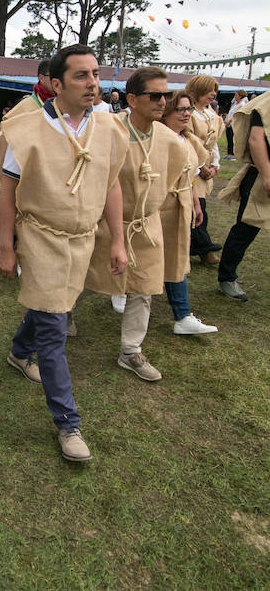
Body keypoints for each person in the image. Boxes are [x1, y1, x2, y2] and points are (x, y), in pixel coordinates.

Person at [0, 44, 129, 463]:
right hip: (40, 238)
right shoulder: (28, 128)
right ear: (55, 84)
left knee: (47, 308)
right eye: (80, 76)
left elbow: (111, 185)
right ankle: (68, 423)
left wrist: (119, 240)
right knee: (54, 328)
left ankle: (19, 353)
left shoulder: (107, 127)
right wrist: (6, 246)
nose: (92, 83)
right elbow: (8, 191)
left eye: (95, 74)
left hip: (83, 238)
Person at [86, 67, 186, 382]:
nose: (162, 101)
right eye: (154, 95)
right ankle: (63, 319)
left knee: (144, 287)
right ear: (132, 98)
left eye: (165, 95)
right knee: (83, 275)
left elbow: (169, 181)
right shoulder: (107, 131)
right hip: (103, 221)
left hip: (145, 223)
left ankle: (131, 351)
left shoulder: (171, 141)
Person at [160, 91, 217, 334]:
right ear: (167, 111)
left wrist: (195, 203)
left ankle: (183, 315)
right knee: (141, 257)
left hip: (181, 203)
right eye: (180, 109)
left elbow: (190, 176)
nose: (186, 114)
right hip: (158, 205)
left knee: (177, 256)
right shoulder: (157, 137)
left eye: (188, 109)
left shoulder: (188, 139)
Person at [216, 90, 270, 301]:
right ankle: (227, 277)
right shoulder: (265, 103)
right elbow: (256, 140)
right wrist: (266, 176)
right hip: (261, 176)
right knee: (246, 229)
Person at [185, 76, 224, 266]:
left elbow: (213, 143)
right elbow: (188, 142)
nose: (213, 94)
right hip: (193, 166)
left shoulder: (212, 116)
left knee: (199, 208)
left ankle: (196, 249)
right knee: (197, 208)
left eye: (215, 90)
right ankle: (205, 250)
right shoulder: (189, 114)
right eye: (210, 90)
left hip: (207, 166)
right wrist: (200, 168)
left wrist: (215, 165)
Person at [224, 90, 248, 160]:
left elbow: (237, 115)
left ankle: (233, 154)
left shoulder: (242, 104)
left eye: (236, 95)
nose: (235, 96)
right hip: (229, 124)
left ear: (240, 96)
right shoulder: (235, 104)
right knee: (229, 138)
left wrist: (230, 121)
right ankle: (229, 153)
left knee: (233, 139)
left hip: (234, 124)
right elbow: (230, 112)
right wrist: (227, 120)